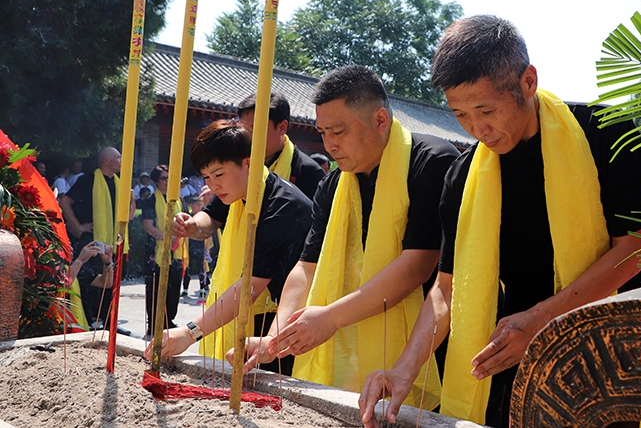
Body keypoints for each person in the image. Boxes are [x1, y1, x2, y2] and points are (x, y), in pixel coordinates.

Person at [357, 16, 641, 428]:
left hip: (617, 349)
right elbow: (447, 288)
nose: (478, 129)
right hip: (521, 352)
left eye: (486, 110)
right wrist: (404, 367)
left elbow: (636, 248)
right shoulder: (464, 176)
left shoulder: (605, 135)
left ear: (528, 82)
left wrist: (543, 319)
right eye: (461, 114)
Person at [232, 65, 459, 408]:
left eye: (339, 131)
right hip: (354, 344)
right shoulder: (334, 183)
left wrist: (331, 317)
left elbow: (417, 266)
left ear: (380, 121)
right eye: (323, 132)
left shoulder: (432, 162)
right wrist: (276, 338)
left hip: (424, 346)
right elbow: (307, 268)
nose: (330, 144)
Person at [146, 119, 312, 377]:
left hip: (290, 316)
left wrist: (190, 332)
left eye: (218, 174)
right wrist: (193, 225)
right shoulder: (238, 188)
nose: (213, 185)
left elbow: (249, 288)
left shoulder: (283, 207)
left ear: (247, 162)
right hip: (265, 308)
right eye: (206, 177)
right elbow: (210, 217)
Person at [61, 147, 133, 334]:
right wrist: (77, 226)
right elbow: (64, 203)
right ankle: (87, 322)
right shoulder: (88, 180)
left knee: (112, 282)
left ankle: (110, 323)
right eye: (118, 157)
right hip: (90, 241)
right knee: (89, 283)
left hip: (113, 242)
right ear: (107, 161)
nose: (121, 160)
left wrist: (132, 199)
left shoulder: (120, 184)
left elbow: (128, 217)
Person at [236, 91, 326, 199]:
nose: (248, 137)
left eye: (256, 129)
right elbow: (214, 212)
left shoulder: (309, 173)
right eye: (244, 130)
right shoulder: (239, 165)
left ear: (282, 127)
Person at [141, 164, 183, 335]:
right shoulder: (150, 200)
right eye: (164, 178)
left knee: (173, 288)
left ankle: (168, 321)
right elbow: (148, 226)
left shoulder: (178, 198)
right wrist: (167, 239)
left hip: (177, 250)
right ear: (157, 181)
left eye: (170, 178)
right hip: (155, 252)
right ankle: (154, 323)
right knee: (155, 289)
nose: (168, 181)